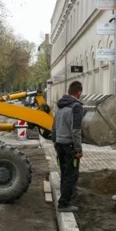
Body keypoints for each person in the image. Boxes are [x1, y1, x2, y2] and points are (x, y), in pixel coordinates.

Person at [51, 80, 84, 212]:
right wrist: (78, 149)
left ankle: (66, 196)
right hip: (70, 146)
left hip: (59, 144)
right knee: (72, 174)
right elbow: (76, 130)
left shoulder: (59, 105)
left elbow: (53, 128)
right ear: (79, 93)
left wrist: (55, 143)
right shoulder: (76, 107)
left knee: (64, 172)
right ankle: (64, 203)